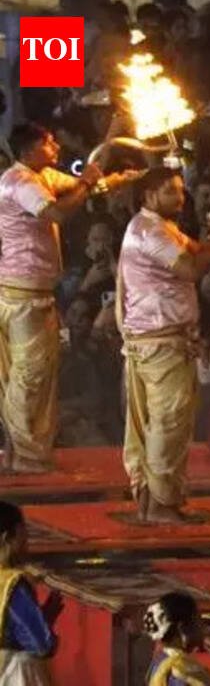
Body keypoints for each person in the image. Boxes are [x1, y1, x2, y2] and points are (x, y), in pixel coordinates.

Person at [0, 124, 135, 473]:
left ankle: (24, 452)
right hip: (23, 294)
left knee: (35, 374)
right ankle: (25, 455)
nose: (56, 147)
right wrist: (89, 183)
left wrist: (112, 168)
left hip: (33, 291)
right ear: (29, 150)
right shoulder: (20, 182)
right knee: (29, 375)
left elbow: (81, 184)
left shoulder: (41, 176)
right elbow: (58, 213)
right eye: (48, 143)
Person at [118, 168, 210, 523]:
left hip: (158, 340)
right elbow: (190, 268)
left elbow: (197, 251)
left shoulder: (158, 227)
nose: (180, 198)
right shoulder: (150, 231)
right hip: (161, 342)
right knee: (168, 422)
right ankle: (160, 504)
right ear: (148, 196)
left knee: (157, 423)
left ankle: (151, 500)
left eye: (182, 190)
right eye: (171, 191)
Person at [0, 500, 61, 685]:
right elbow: (41, 644)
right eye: (22, 534)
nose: (27, 542)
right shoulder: (11, 583)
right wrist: (44, 621)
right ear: (6, 538)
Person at [141, 591, 210, 685]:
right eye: (198, 620)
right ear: (182, 629)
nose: (203, 626)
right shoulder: (182, 668)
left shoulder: (160, 660)